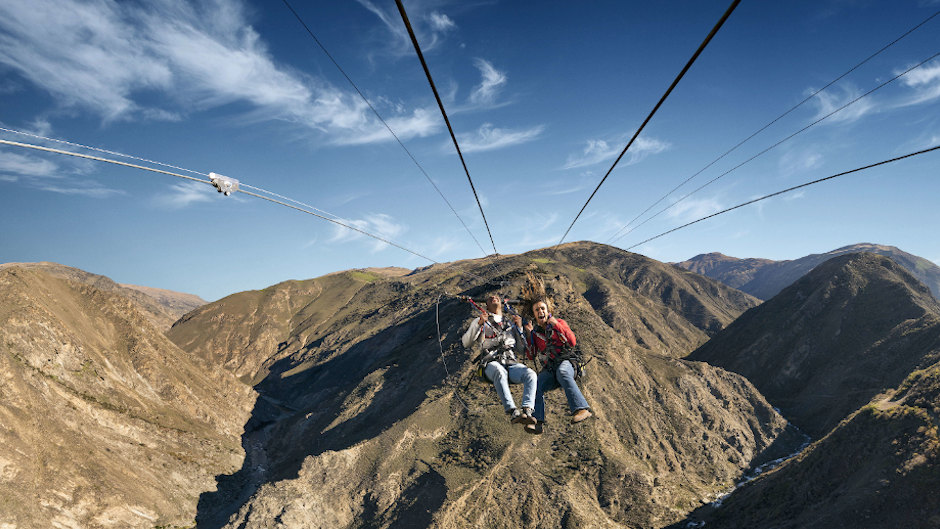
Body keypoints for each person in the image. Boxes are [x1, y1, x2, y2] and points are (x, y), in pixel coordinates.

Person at [514, 297, 591, 434]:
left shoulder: (559, 323)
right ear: (534, 315)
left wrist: (556, 324)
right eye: (537, 310)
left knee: (562, 372)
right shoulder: (536, 334)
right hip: (551, 368)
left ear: (548, 311)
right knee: (535, 383)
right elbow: (531, 355)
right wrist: (528, 334)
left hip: (568, 363)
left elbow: (572, 341)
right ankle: (537, 422)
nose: (540, 311)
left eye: (542, 308)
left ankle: (582, 409)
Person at [462, 294, 538, 426]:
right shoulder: (481, 321)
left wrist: (520, 329)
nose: (493, 297)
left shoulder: (510, 324)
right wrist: (478, 324)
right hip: (490, 364)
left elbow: (521, 350)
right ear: (486, 305)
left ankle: (527, 409)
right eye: (490, 298)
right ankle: (512, 410)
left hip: (510, 363)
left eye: (496, 297)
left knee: (530, 374)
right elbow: (466, 342)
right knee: (499, 371)